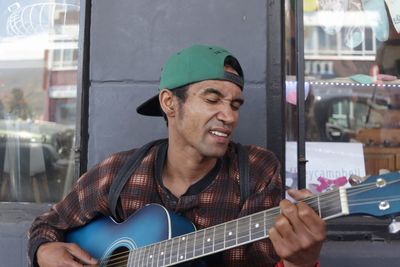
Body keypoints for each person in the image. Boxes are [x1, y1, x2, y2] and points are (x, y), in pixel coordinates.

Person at [28, 44, 325, 267]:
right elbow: (48, 225)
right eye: (212, 99)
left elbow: (266, 259)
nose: (229, 116)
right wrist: (44, 251)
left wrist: (300, 261)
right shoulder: (118, 171)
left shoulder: (257, 171)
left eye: (235, 105)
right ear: (170, 103)